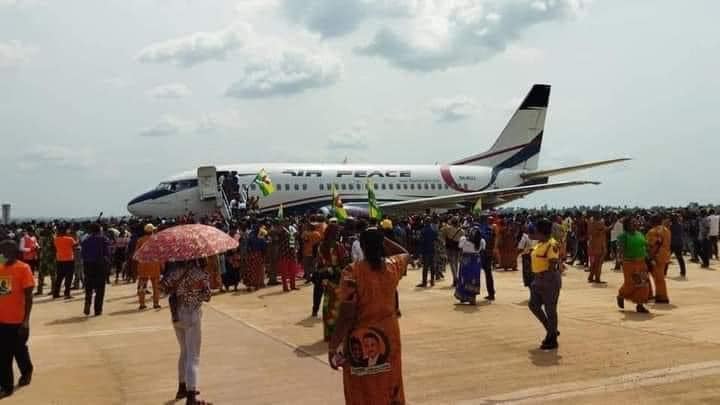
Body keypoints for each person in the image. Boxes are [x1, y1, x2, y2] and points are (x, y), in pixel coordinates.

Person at [329, 228, 409, 405]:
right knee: (390, 380)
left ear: (362, 247)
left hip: (361, 341)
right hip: (388, 338)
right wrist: (383, 238)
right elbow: (405, 253)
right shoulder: (392, 266)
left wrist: (333, 345)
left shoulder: (352, 272)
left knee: (362, 387)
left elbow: (346, 315)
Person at [160, 260, 212, 405]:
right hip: (192, 316)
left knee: (184, 351)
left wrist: (175, 288)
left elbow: (162, 288)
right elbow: (207, 296)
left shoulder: (174, 272)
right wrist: (196, 290)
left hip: (177, 315)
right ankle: (191, 396)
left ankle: (182, 387)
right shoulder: (201, 274)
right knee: (193, 356)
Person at [0, 240, 34, 398]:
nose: (3, 253)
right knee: (4, 354)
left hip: (18, 321)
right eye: (2, 250)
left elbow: (28, 296)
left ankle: (27, 371)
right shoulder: (0, 267)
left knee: (20, 351)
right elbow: (3, 293)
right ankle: (6, 387)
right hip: (2, 321)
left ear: (14, 251)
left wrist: (26, 321)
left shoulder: (23, 268)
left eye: (6, 250)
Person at [528, 219, 562, 350]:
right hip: (537, 279)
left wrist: (547, 277)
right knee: (533, 305)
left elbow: (553, 262)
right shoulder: (539, 244)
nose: (534, 232)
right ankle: (551, 329)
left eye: (536, 230)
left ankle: (552, 339)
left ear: (542, 232)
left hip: (549, 279)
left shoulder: (551, 244)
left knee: (550, 309)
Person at [317, 223, 346, 340]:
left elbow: (319, 265)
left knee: (328, 306)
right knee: (339, 307)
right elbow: (344, 263)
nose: (339, 234)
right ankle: (339, 334)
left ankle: (329, 334)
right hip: (338, 280)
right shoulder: (338, 246)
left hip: (327, 281)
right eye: (337, 232)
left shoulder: (321, 247)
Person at [616, 217, 651, 313]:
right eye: (633, 223)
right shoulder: (623, 236)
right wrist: (619, 258)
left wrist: (651, 248)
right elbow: (620, 248)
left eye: (636, 222)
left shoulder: (640, 234)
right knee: (631, 283)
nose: (636, 224)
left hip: (641, 262)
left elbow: (645, 245)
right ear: (627, 225)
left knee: (643, 284)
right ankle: (621, 295)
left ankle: (640, 305)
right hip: (629, 263)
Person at [81, 223, 111, 316]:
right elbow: (107, 253)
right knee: (100, 288)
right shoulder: (103, 239)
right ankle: (97, 310)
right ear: (99, 230)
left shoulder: (85, 240)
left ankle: (88, 302)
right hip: (100, 264)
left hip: (88, 265)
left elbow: (82, 254)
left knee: (89, 286)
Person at [454, 224, 485, 305]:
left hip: (466, 260)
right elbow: (483, 249)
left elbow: (460, 246)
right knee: (474, 278)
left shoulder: (464, 239)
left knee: (464, 277)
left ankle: (463, 296)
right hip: (476, 261)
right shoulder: (481, 241)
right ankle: (472, 298)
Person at [135, 224, 162, 310]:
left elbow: (136, 254)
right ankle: (156, 303)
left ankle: (142, 304)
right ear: (153, 231)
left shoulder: (140, 240)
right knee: (156, 286)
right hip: (154, 265)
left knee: (142, 286)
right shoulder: (156, 240)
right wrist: (162, 265)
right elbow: (160, 254)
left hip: (143, 265)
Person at [646, 215, 671, 304]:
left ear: (653, 221)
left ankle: (661, 296)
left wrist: (650, 257)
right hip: (665, 256)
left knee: (658, 277)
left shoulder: (653, 231)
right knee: (660, 277)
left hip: (656, 256)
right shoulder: (666, 230)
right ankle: (660, 295)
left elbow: (653, 245)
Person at [52, 227, 76, 299]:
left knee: (59, 277)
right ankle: (67, 293)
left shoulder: (56, 240)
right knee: (69, 278)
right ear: (65, 232)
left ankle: (56, 293)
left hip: (59, 260)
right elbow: (75, 245)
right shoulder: (70, 239)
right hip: (69, 260)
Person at [441, 218, 464, 287]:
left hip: (450, 247)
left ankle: (455, 278)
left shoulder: (447, 229)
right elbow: (463, 240)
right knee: (456, 263)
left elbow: (442, 233)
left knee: (452, 263)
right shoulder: (461, 231)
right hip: (457, 248)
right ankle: (455, 278)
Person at [478, 215, 496, 301]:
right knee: (488, 274)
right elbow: (493, 241)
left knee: (475, 273)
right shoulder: (491, 230)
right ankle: (491, 293)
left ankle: (472, 293)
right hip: (489, 253)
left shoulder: (479, 230)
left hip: (481, 254)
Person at [587, 212, 608, 284]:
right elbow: (604, 230)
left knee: (593, 264)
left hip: (591, 246)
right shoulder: (599, 223)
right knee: (598, 264)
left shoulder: (590, 222)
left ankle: (591, 277)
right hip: (598, 247)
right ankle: (597, 278)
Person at [417, 218, 437, 288]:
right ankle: (432, 281)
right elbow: (436, 239)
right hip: (432, 250)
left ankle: (424, 282)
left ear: (425, 222)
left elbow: (421, 241)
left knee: (425, 267)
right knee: (432, 267)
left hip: (425, 251)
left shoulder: (423, 231)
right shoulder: (434, 230)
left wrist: (420, 252)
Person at [669, 214, 687, 278]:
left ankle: (664, 272)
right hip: (679, 243)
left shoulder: (670, 226)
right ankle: (683, 272)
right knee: (680, 258)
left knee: (667, 258)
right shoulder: (680, 225)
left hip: (672, 244)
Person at [518, 225, 534, 290]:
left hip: (526, 257)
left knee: (528, 275)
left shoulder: (524, 237)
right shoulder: (537, 237)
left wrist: (516, 254)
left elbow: (520, 248)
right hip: (535, 257)